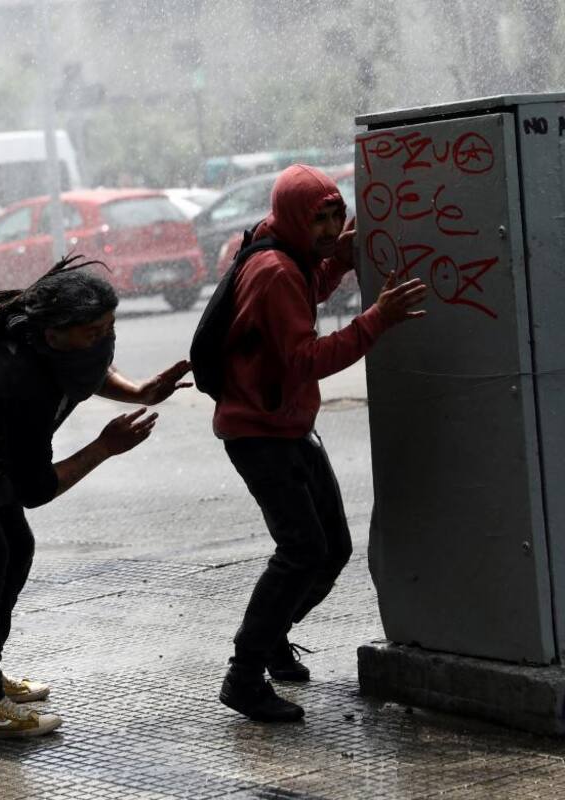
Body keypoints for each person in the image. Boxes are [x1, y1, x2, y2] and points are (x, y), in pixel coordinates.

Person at [0, 255, 192, 739]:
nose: (105, 340)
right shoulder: (21, 382)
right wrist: (104, 447)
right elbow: (37, 489)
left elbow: (88, 369)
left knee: (15, 548)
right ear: (55, 335)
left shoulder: (51, 345)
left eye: (110, 327)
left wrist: (140, 392)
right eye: (93, 332)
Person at [213, 165, 427, 723]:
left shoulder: (281, 247)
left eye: (336, 215)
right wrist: (377, 320)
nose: (331, 227)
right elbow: (305, 358)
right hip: (259, 432)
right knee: (302, 552)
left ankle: (273, 636)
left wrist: (335, 260)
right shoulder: (275, 270)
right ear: (292, 219)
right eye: (319, 219)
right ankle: (243, 675)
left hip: (287, 425)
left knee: (332, 549)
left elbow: (306, 292)